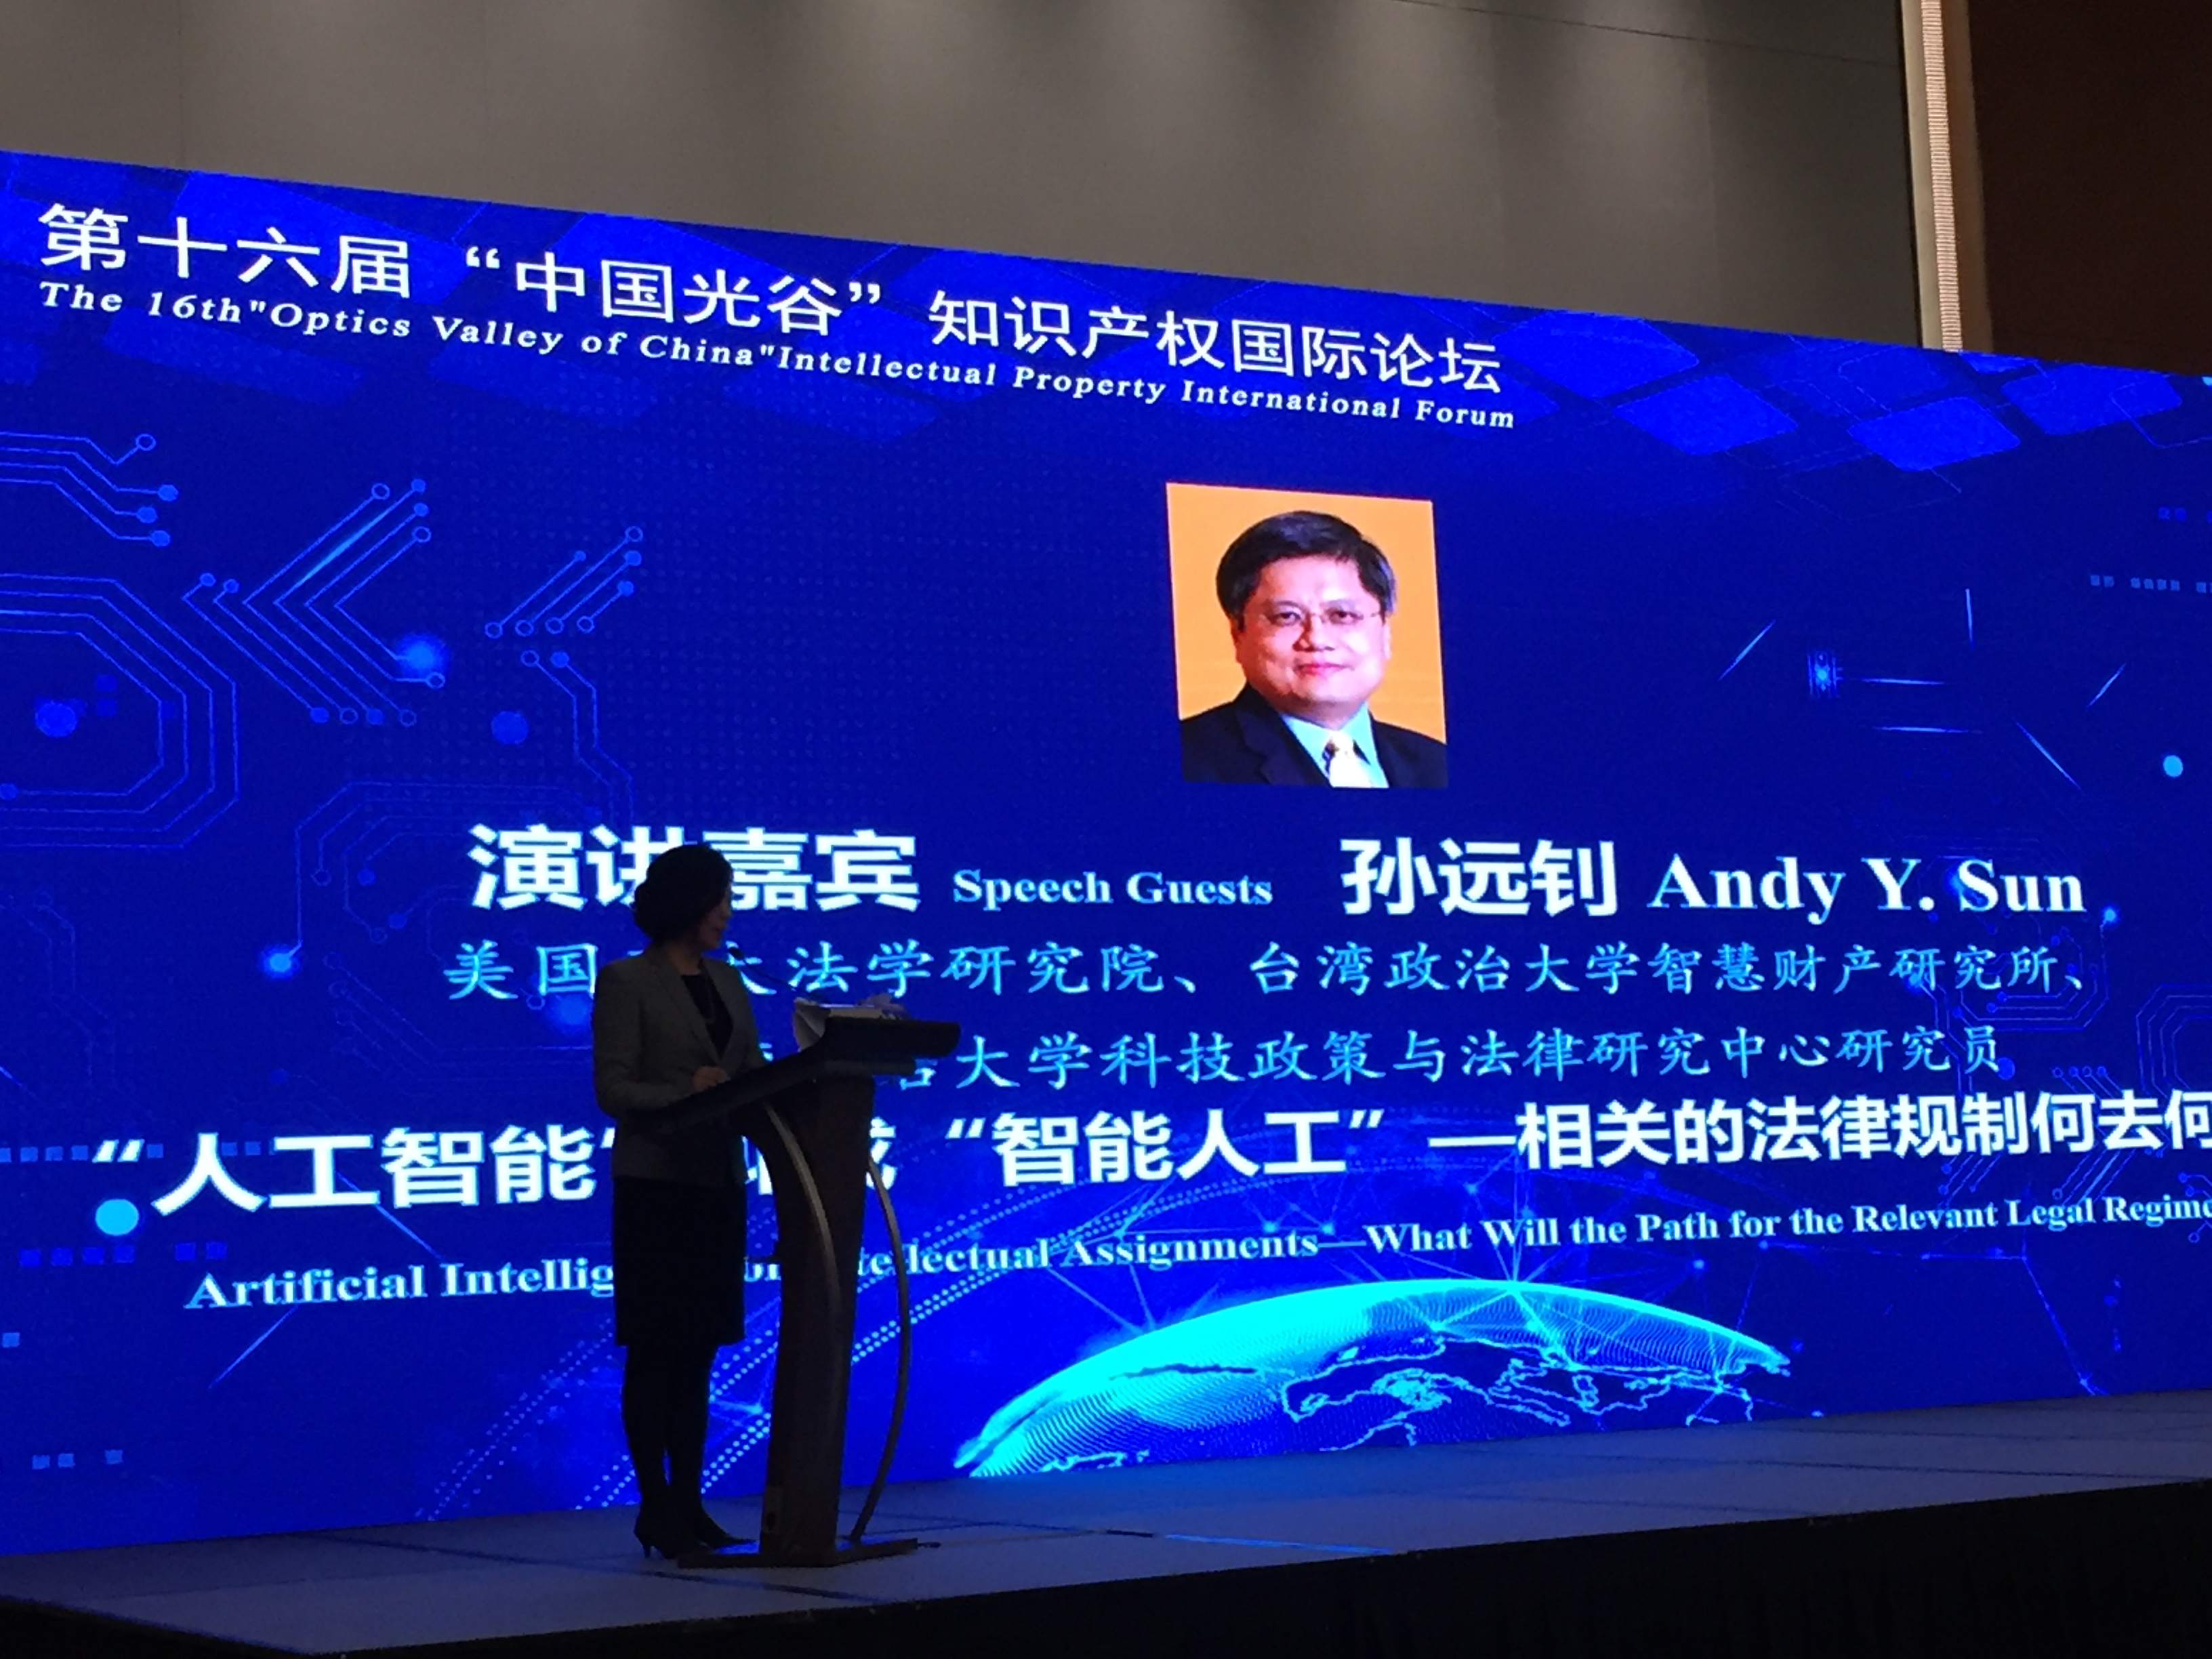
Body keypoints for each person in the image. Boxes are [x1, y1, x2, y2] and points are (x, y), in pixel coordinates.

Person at [592, 842, 761, 1559]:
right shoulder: (627, 980)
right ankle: (655, 1505)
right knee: (657, 1350)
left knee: (699, 1353)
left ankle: (690, 1504)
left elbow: (751, 1075)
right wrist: (683, 1093)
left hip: (718, 1182)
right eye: (721, 898)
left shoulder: (728, 980)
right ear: (690, 903)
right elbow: (614, 1089)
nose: (727, 913)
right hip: (656, 1187)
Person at [1179, 510, 1448, 787]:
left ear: (1385, 631)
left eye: (1342, 615)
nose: (1317, 639)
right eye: (1287, 616)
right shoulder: (1184, 760)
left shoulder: (1439, 764)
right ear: (1238, 633)